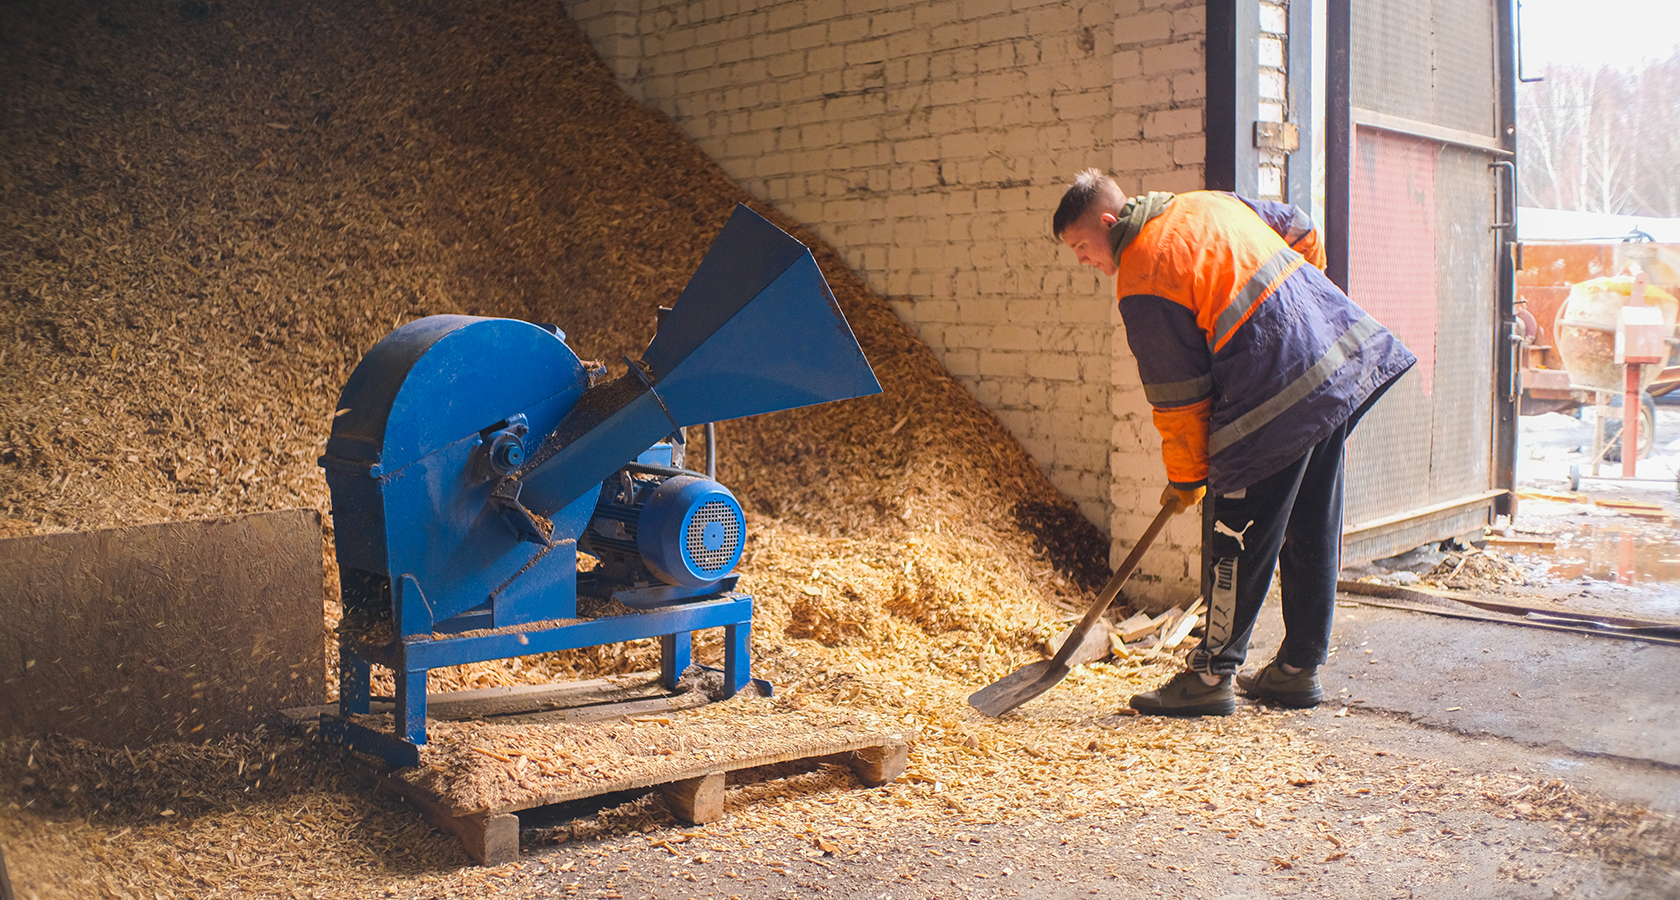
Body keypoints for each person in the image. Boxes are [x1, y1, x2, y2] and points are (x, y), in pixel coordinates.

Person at [1052, 170, 1416, 716]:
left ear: (1109, 223)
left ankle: (1210, 674)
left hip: (1272, 399)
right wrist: (1299, 313)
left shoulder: (1144, 273)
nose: (1083, 260)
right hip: (1335, 364)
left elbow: (1178, 398)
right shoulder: (1205, 205)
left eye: (1082, 247)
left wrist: (1186, 477)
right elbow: (1300, 227)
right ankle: (1297, 669)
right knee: (1309, 524)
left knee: (1234, 534)